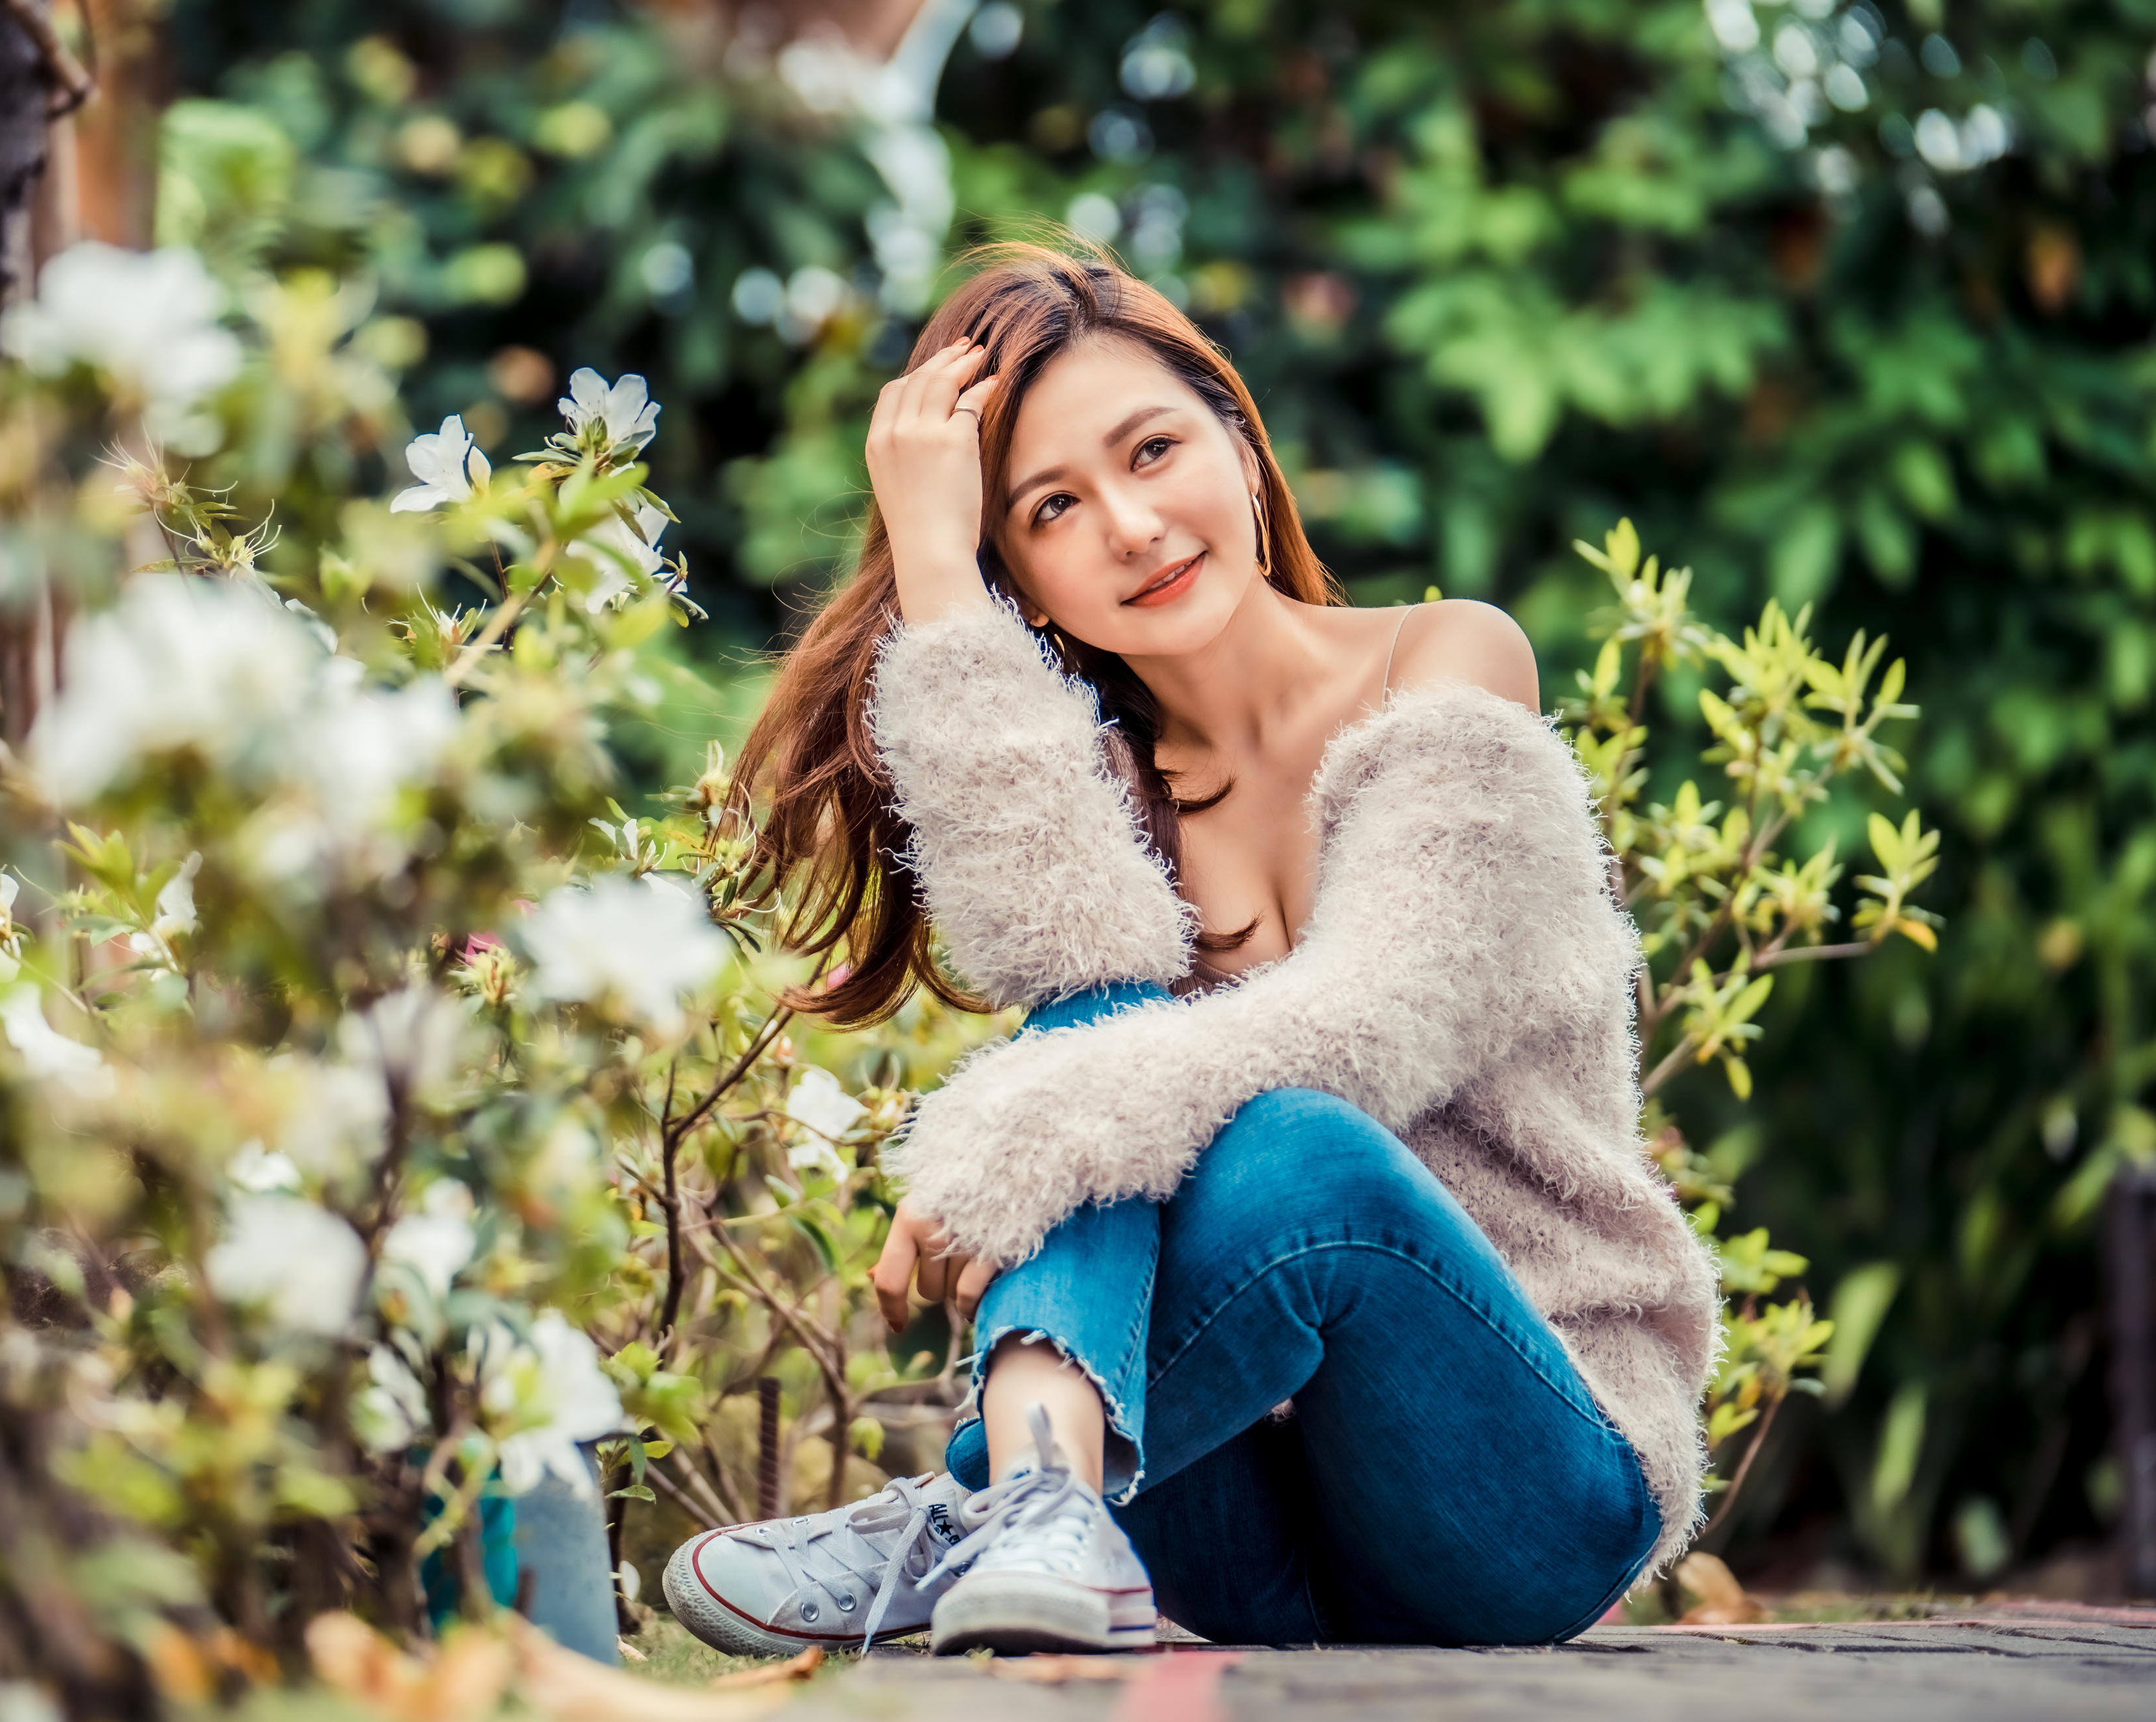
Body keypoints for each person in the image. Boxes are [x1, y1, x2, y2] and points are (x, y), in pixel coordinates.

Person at [662, 248, 1716, 1658]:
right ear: (1020, 578)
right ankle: (1041, 1509)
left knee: (1284, 1143)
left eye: (1152, 448)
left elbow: (1370, 1031)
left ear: (1236, 433)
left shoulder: (1450, 665)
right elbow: (1063, 972)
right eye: (1051, 509)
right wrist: (929, 559)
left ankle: (966, 1505)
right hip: (1232, 1534)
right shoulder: (1112, 784)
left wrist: (1017, 1133)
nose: (1132, 524)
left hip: (1527, 1486)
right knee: (1090, 1014)